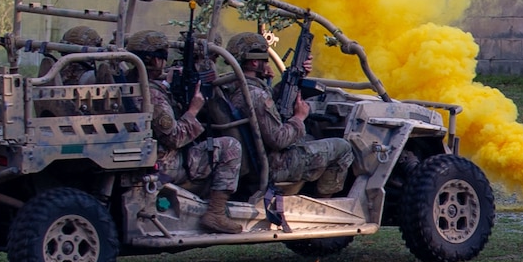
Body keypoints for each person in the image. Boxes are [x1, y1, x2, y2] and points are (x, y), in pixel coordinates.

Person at [123, 30, 247, 233]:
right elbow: (175, 137)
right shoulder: (151, 93)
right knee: (230, 146)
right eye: (163, 56)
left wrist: (167, 85)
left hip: (144, 155)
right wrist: (194, 109)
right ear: (155, 60)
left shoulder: (131, 83)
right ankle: (216, 213)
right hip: (165, 163)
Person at [224, 32, 355, 199]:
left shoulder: (231, 87)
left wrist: (291, 78)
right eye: (265, 59)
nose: (267, 63)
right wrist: (299, 117)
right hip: (273, 165)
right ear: (254, 62)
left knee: (308, 138)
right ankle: (323, 206)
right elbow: (279, 140)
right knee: (343, 148)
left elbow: (263, 108)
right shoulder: (256, 95)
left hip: (253, 159)